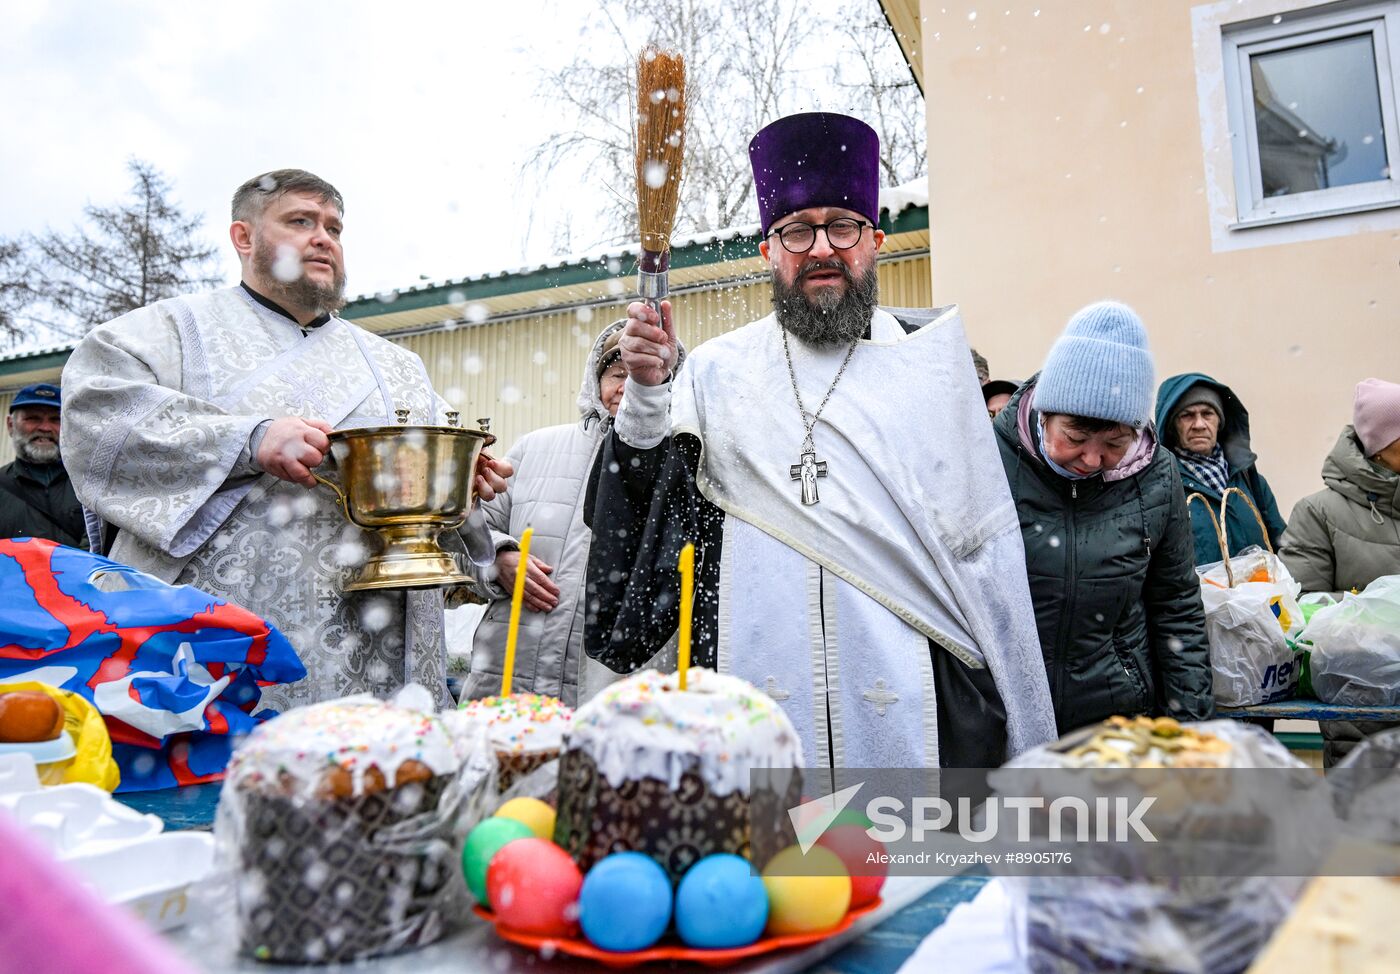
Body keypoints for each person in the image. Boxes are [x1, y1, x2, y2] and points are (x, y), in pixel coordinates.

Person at [584, 112, 1056, 769]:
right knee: (776, 863)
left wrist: (1018, 731)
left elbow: (987, 564)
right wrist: (646, 391)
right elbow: (652, 518)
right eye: (798, 231)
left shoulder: (931, 375)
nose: (822, 248)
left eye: (843, 226)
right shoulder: (719, 375)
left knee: (905, 867)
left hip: (920, 706)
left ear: (875, 240)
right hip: (751, 695)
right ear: (768, 251)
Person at [60, 169, 510, 711]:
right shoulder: (170, 330)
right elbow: (97, 417)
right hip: (219, 633)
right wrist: (246, 440)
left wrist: (459, 476)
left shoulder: (396, 367)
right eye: (300, 221)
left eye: (334, 228)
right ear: (243, 237)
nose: (323, 238)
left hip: (371, 645)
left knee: (366, 776)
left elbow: (428, 494)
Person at [993, 301, 1214, 734]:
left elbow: (1176, 605)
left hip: (1116, 720)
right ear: (1044, 415)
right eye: (1074, 437)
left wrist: (1187, 729)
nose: (1093, 459)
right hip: (1007, 715)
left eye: (1116, 443)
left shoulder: (1158, 474)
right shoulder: (989, 459)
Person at [463, 322, 683, 707]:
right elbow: (460, 541)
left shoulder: (679, 467)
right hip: (507, 680)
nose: (627, 387)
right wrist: (498, 559)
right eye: (617, 374)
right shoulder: (535, 448)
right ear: (595, 382)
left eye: (642, 376)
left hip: (615, 692)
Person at [1281, 378, 1400, 766]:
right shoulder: (1318, 512)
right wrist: (1380, 612)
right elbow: (1302, 610)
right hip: (1362, 706)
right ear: (1379, 447)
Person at [1155, 374, 1285, 567]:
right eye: (1187, 415)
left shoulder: (1250, 480)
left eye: (1207, 414)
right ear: (1173, 426)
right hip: (1198, 598)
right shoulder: (1161, 488)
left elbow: (1282, 546)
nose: (1199, 425)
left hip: (1261, 597)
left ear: (1220, 422)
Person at [0, 384, 87, 549]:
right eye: (33, 418)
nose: (45, 427)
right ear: (11, 425)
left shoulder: (91, 485)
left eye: (56, 419)